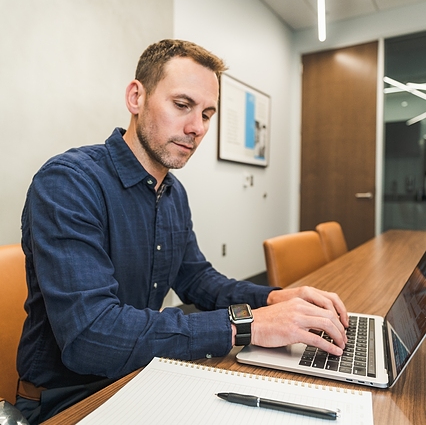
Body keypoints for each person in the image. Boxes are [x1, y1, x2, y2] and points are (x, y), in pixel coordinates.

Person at [15, 39, 348, 424]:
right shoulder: (69, 183)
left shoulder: (172, 192)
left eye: (208, 113)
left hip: (142, 375)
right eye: (182, 105)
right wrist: (248, 326)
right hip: (69, 400)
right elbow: (92, 335)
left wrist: (274, 298)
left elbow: (198, 280)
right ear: (136, 97)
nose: (197, 128)